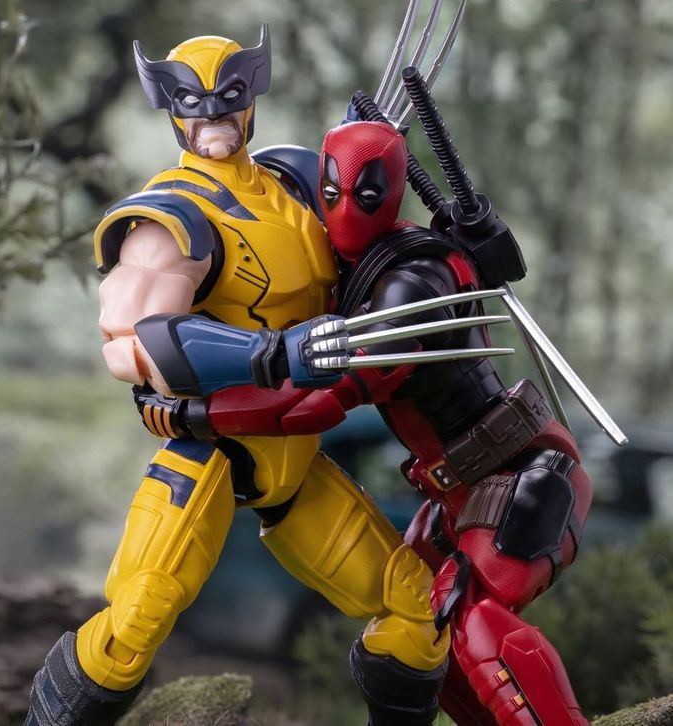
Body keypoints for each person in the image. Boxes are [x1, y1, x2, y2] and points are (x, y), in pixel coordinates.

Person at [25, 33, 449, 726]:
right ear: (172, 111)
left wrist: (436, 216)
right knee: (136, 622)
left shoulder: (295, 180)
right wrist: (273, 353)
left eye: (227, 101)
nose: (212, 119)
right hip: (210, 451)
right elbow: (130, 344)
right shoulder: (171, 216)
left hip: (295, 458)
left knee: (417, 609)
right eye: (194, 106)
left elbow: (378, 237)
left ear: (251, 98)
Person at [135, 121, 593, 726]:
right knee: (419, 631)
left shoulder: (413, 283)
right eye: (333, 192)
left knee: (475, 618)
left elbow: (310, 407)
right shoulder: (344, 272)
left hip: (523, 474)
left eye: (367, 194)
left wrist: (190, 414)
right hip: (452, 493)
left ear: (395, 190)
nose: (346, 209)